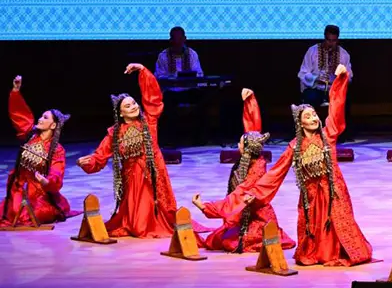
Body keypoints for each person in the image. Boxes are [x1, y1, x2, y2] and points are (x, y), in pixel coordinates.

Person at [199, 64, 372, 266]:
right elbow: (275, 174)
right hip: (311, 198)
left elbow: (336, 109)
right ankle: (317, 253)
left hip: (333, 192)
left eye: (315, 115)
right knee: (313, 231)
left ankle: (339, 252)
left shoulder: (328, 135)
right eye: (308, 116)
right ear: (300, 124)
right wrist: (254, 194)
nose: (314, 118)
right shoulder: (294, 147)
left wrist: (340, 80)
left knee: (337, 224)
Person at [77, 64, 200, 238]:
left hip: (153, 173)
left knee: (146, 224)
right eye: (128, 106)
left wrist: (143, 71)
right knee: (136, 225)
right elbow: (100, 156)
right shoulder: (115, 133)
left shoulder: (149, 121)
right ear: (120, 113)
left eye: (134, 103)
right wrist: (87, 163)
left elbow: (153, 98)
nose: (134, 107)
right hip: (132, 178)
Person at [191, 87, 295, 253]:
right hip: (242, 216)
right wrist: (250, 101)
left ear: (246, 149)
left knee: (227, 242)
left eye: (240, 143)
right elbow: (252, 131)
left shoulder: (256, 171)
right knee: (217, 238)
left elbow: (235, 199)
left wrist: (204, 207)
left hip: (257, 219)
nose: (238, 144)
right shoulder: (251, 156)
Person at [3, 76, 73, 228]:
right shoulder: (29, 134)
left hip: (38, 192)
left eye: (45, 117)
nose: (40, 119)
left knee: (36, 214)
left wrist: (46, 181)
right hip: (19, 187)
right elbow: (19, 115)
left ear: (53, 125)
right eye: (41, 116)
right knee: (14, 212)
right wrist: (15, 91)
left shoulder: (56, 149)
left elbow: (56, 171)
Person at [298, 24, 351, 107]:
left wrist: (340, 76)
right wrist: (316, 79)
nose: (330, 43)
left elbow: (349, 77)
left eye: (334, 41)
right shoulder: (312, 51)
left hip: (334, 90)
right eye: (328, 40)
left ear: (337, 40)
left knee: (344, 100)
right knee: (311, 97)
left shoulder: (344, 54)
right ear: (324, 37)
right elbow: (303, 73)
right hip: (315, 89)